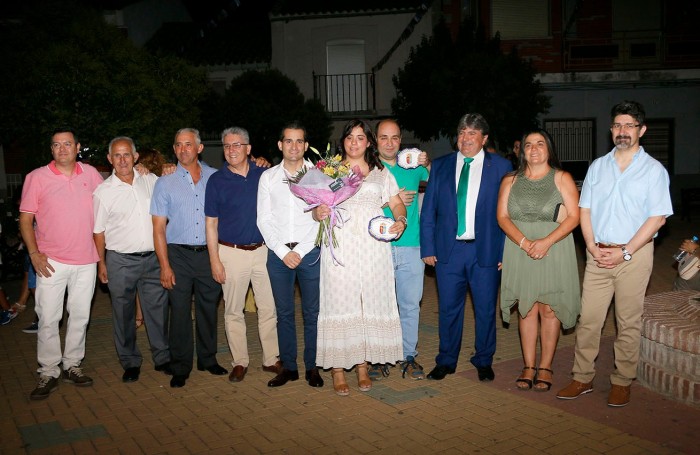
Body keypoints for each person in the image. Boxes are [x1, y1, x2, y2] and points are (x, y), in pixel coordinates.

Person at [557, 100, 673, 407]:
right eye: (617, 125)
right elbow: (585, 209)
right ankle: (582, 377)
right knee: (589, 320)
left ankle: (622, 380)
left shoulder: (653, 171)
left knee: (628, 321)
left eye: (629, 126)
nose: (622, 131)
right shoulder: (598, 166)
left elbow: (657, 218)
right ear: (611, 131)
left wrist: (625, 251)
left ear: (641, 130)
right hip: (598, 255)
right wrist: (592, 246)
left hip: (634, 257)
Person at [313, 119, 406, 396]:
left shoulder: (380, 172)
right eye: (350, 137)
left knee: (366, 304)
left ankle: (363, 366)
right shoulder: (332, 171)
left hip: (373, 250)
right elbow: (318, 205)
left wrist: (400, 220)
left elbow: (396, 201)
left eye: (361, 138)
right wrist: (318, 212)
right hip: (340, 249)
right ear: (343, 142)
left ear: (369, 142)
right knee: (339, 304)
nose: (355, 142)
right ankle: (339, 370)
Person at [420, 113, 512, 382]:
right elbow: (429, 212)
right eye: (462, 132)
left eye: (473, 133)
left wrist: (505, 251)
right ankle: (446, 360)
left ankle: (483, 359)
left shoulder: (502, 166)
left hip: (485, 250)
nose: (466, 138)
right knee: (448, 309)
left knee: (485, 310)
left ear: (484, 139)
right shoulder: (441, 166)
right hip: (449, 251)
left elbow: (510, 212)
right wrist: (428, 247)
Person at [20, 127, 104, 400]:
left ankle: (72, 365)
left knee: (80, 316)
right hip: (50, 262)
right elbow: (25, 220)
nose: (62, 149)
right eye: (57, 145)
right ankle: (48, 370)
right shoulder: (37, 178)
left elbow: (109, 202)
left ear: (77, 147)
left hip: (86, 260)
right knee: (48, 318)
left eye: (67, 144)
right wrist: (34, 254)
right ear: (51, 150)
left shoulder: (90, 174)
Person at [497, 129, 581, 392]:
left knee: (549, 308)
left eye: (540, 144)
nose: (533, 149)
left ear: (549, 149)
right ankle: (528, 365)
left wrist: (546, 242)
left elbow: (574, 217)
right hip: (519, 248)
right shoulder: (510, 180)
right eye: (528, 145)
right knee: (528, 307)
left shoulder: (562, 178)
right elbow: (502, 217)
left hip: (554, 247)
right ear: (520, 151)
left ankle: (545, 366)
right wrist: (523, 242)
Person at [150, 128, 228, 389]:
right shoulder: (164, 182)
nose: (183, 149)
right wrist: (164, 265)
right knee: (180, 311)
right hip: (178, 255)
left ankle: (207, 359)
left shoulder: (215, 178)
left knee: (208, 308)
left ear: (199, 148)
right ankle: (181, 366)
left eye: (188, 144)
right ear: (174, 150)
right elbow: (158, 228)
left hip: (209, 254)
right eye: (178, 145)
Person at [205, 126, 281, 384]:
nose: (231, 150)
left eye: (237, 145)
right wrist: (214, 259)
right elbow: (211, 223)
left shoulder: (265, 174)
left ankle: (271, 359)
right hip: (231, 253)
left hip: (263, 251)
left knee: (269, 308)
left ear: (249, 149)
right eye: (227, 146)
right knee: (233, 311)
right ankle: (240, 361)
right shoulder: (216, 180)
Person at [93, 137, 171, 383]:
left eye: (127, 154)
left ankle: (163, 358)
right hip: (121, 261)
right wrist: (101, 263)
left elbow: (173, 188)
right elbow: (98, 232)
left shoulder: (150, 180)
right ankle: (130, 362)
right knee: (123, 313)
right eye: (117, 155)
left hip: (152, 259)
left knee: (157, 312)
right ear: (110, 159)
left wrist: (169, 168)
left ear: (136, 157)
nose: (123, 160)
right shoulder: (103, 193)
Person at [256, 123, 323, 388]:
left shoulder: (318, 176)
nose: (293, 146)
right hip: (278, 253)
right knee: (283, 313)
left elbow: (322, 216)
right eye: (288, 141)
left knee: (312, 312)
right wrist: (284, 251)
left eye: (299, 141)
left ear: (306, 146)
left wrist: (301, 251)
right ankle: (289, 367)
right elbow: (264, 219)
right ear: (280, 145)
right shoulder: (268, 178)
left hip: (310, 252)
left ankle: (313, 367)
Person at [374, 119, 430, 380]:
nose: (389, 143)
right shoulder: (368, 168)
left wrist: (427, 163)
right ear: (376, 140)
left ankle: (408, 356)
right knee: (380, 306)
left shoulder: (412, 165)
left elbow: (439, 181)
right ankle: (379, 357)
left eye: (394, 137)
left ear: (400, 139)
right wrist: (394, 201)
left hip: (411, 246)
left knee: (409, 305)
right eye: (384, 137)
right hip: (378, 247)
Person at [133, 148, 168, 329]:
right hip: (149, 236)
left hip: (161, 235)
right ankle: (142, 314)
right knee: (147, 280)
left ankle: (143, 315)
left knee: (160, 277)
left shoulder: (162, 179)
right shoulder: (139, 178)